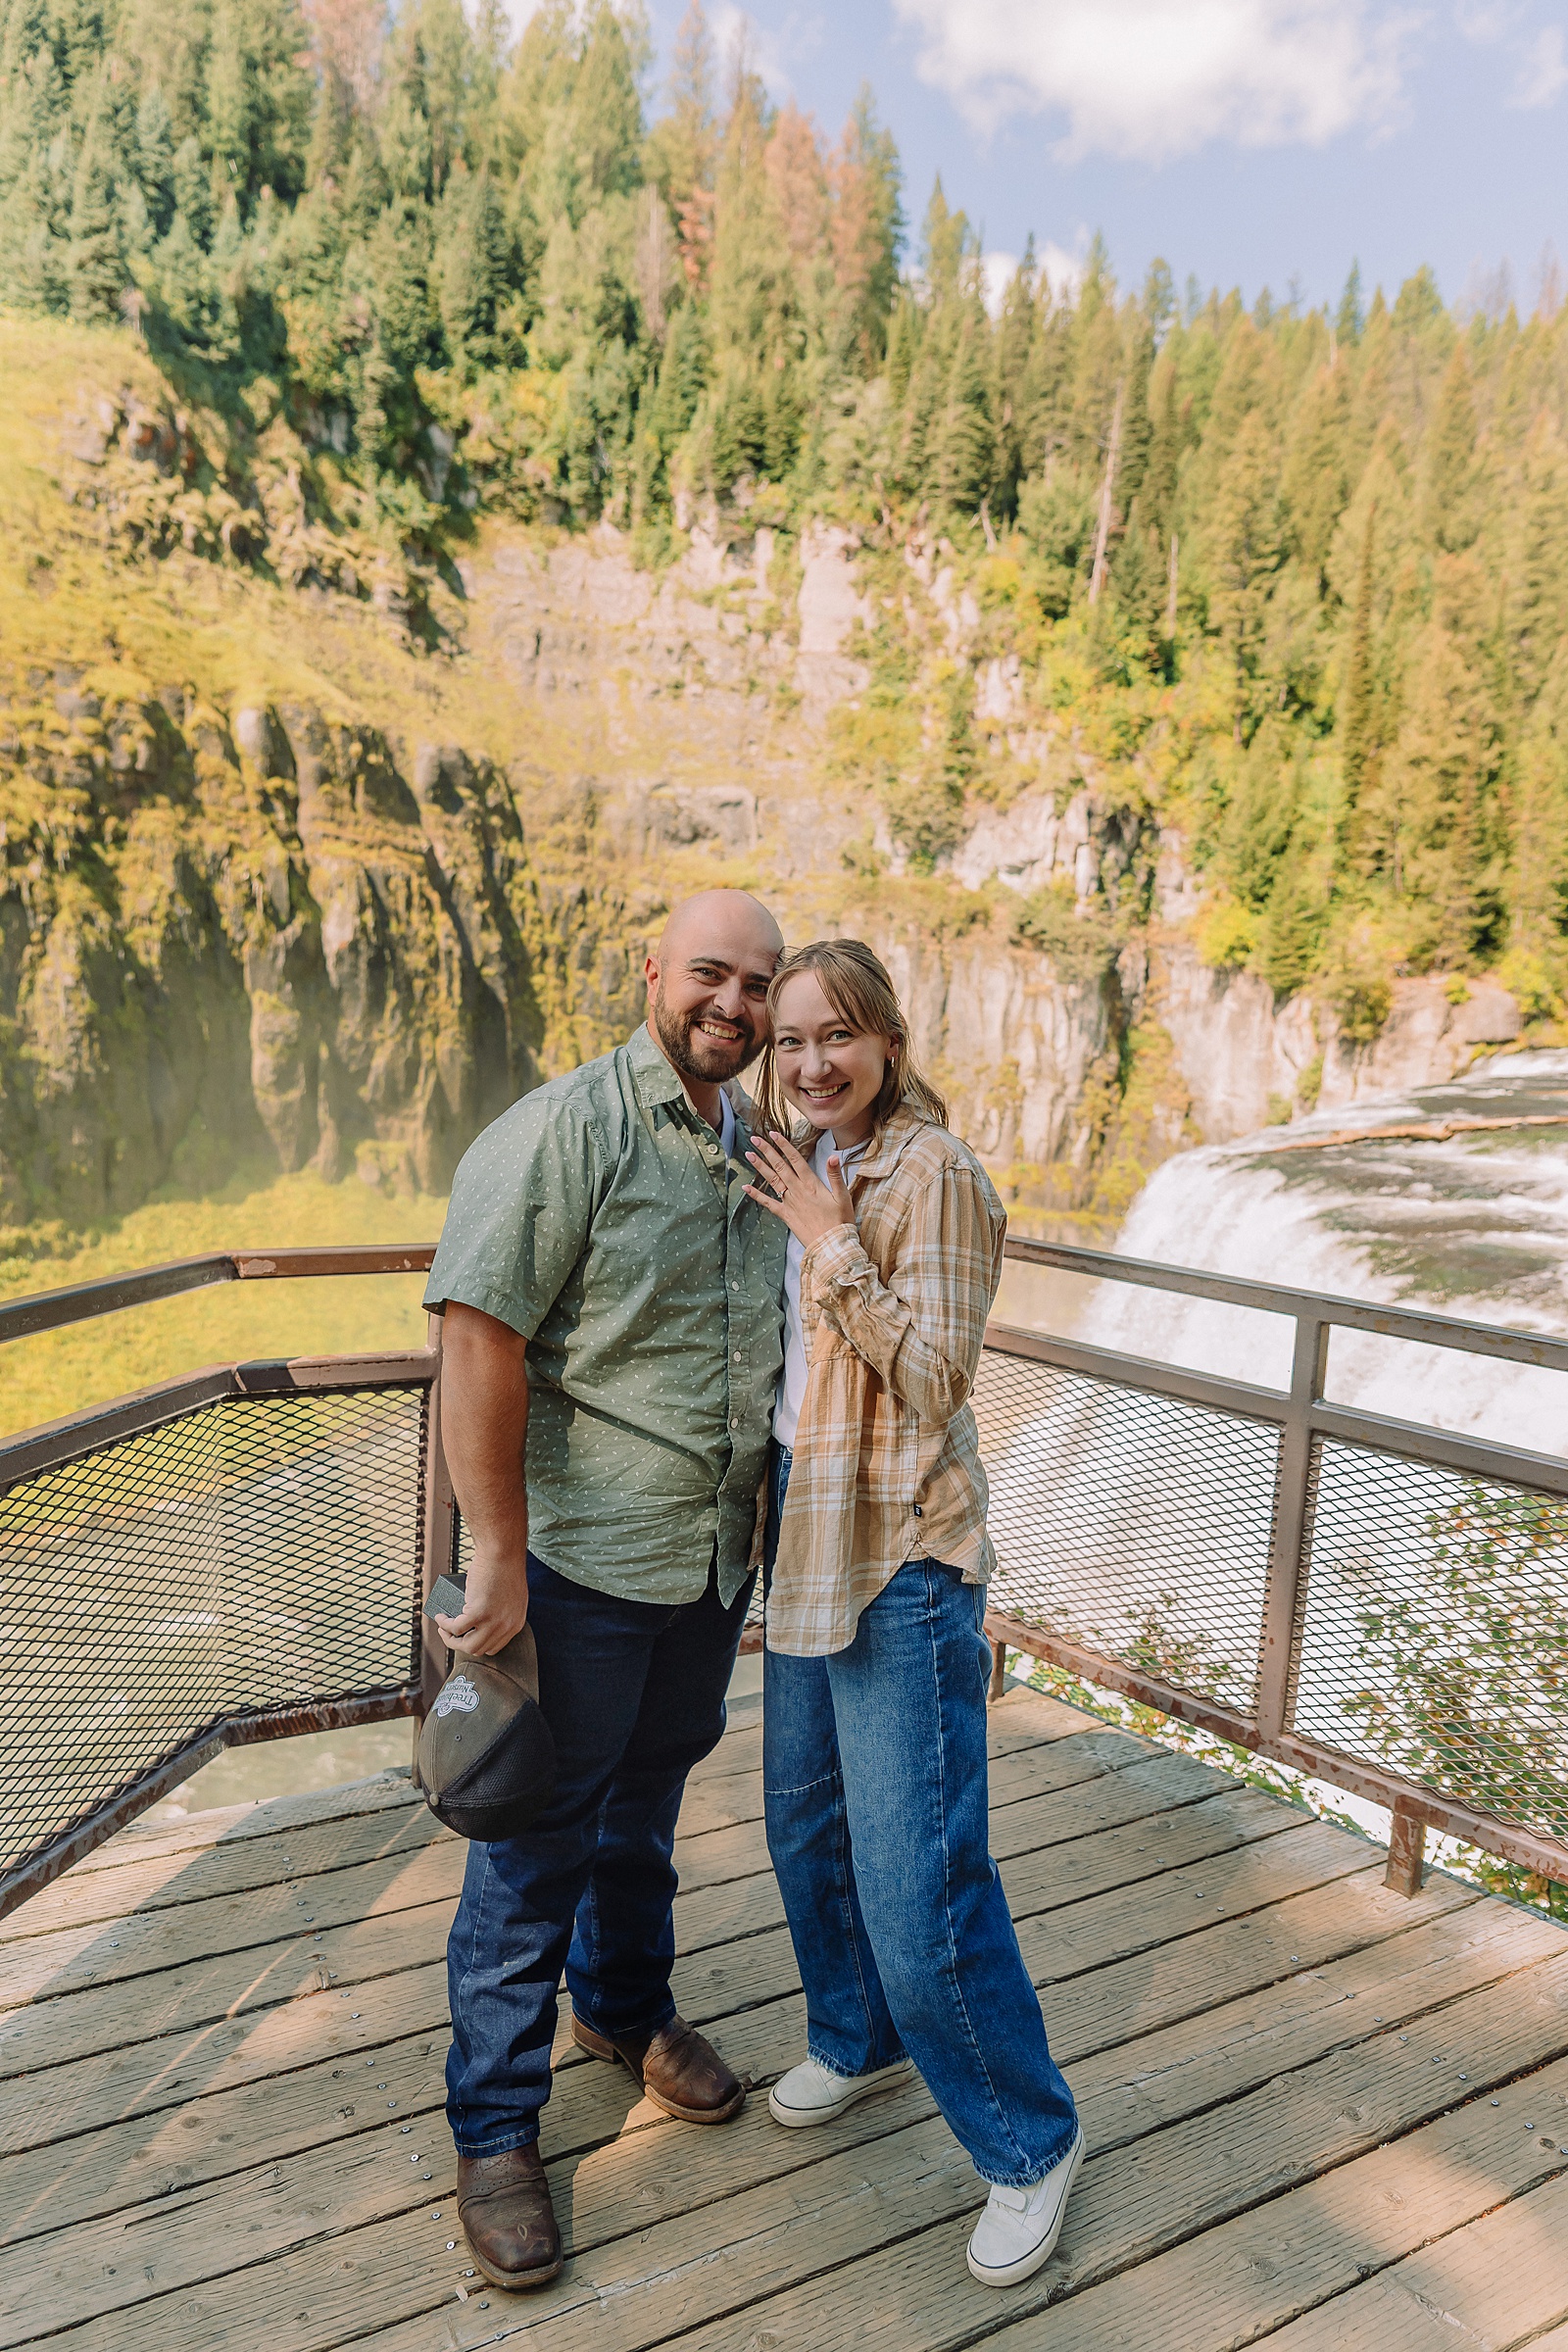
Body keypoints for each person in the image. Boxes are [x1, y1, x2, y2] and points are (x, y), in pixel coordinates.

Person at [421, 887, 788, 2292]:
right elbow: (479, 1340)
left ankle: (624, 2013)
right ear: (653, 972)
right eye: (712, 974)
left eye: (758, 985)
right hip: (574, 1570)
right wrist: (499, 1554)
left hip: (702, 1565)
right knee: (532, 1849)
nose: (736, 1006)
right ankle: (496, 2133)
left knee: (645, 1814)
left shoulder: (748, 1142)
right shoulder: (566, 1128)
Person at [741, 937, 1084, 2290]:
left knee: (919, 1889)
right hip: (808, 1542)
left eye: (839, 1037)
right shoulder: (797, 1160)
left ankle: (1029, 2141)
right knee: (804, 1828)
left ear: (888, 1040)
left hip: (900, 1564)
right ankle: (858, 2035)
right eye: (792, 1043)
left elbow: (936, 1375)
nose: (813, 1063)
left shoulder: (927, 1174)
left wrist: (831, 1252)